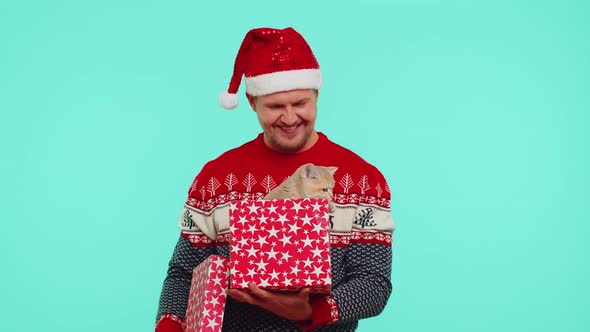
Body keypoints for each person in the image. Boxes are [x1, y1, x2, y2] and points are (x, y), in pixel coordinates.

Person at [155, 27, 395, 332]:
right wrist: (169, 325)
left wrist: (310, 310)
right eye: (275, 106)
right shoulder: (217, 178)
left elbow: (373, 285)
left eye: (300, 103)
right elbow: (183, 273)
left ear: (316, 95)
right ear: (253, 102)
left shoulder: (361, 180)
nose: (290, 118)